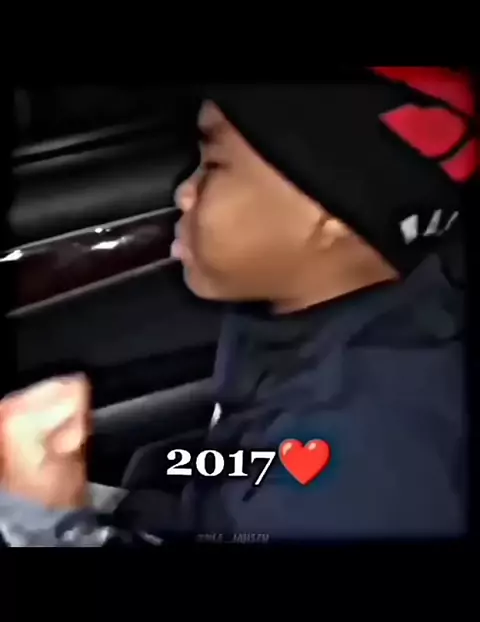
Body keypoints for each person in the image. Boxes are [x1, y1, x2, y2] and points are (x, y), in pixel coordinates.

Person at [0, 68, 476, 545]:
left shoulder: (364, 458)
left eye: (213, 165)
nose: (184, 192)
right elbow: (240, 482)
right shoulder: (302, 327)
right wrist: (112, 506)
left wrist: (49, 524)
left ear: (328, 216)